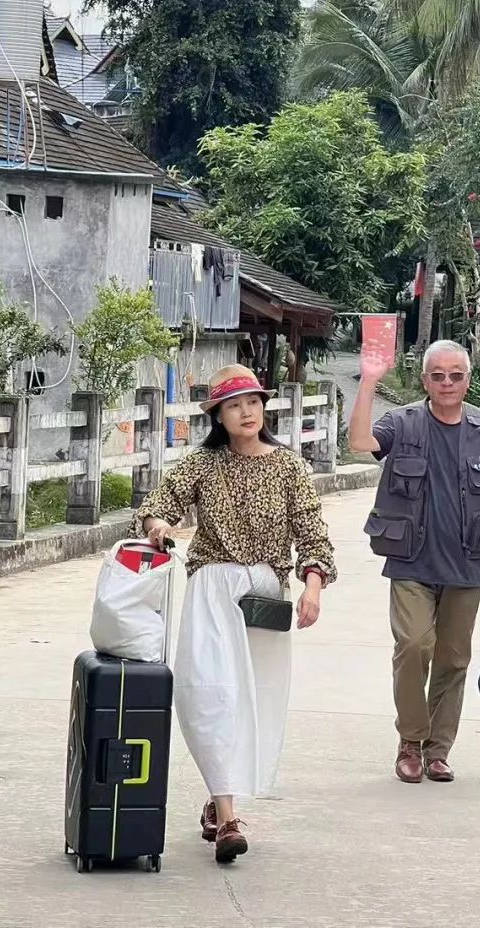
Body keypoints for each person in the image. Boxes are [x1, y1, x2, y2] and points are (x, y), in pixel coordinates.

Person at [135, 364, 336, 864]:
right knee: (210, 693)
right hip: (211, 586)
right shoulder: (203, 465)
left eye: (252, 402)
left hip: (265, 594)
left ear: (263, 407)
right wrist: (158, 524)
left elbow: (312, 532)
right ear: (218, 417)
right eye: (233, 405)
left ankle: (219, 794)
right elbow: (162, 502)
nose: (246, 412)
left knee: (254, 701)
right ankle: (228, 819)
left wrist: (312, 587)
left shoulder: (289, 467)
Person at [349, 339, 480, 785]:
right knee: (413, 645)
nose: (447, 383)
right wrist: (369, 382)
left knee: (453, 658)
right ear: (425, 380)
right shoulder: (402, 423)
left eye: (456, 375)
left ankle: (438, 750)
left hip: (467, 561)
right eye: (438, 375)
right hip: (411, 562)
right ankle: (410, 741)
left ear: (468, 379)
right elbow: (360, 442)